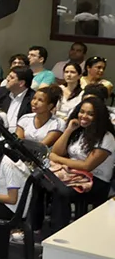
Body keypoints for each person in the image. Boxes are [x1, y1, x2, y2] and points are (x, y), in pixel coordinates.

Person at [47, 97, 115, 232]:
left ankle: (59, 233)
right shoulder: (80, 132)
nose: (84, 116)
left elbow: (87, 166)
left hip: (96, 180)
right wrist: (69, 130)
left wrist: (58, 159)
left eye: (90, 114)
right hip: (75, 174)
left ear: (99, 117)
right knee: (39, 180)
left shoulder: (106, 138)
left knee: (62, 192)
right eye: (82, 112)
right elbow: (56, 151)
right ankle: (36, 227)